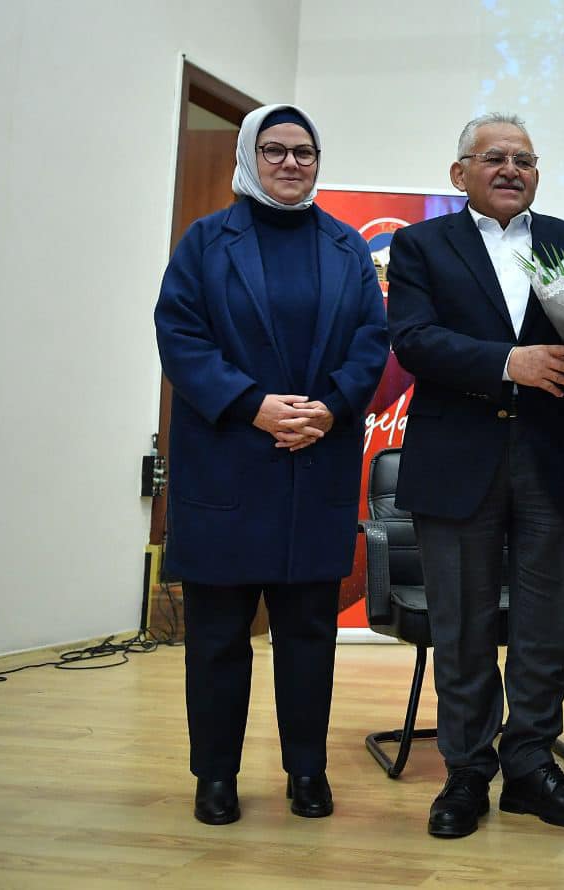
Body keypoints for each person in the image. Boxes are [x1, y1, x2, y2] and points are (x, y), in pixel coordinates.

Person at [155, 104, 389, 826]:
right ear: (249, 158)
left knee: (308, 637)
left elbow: (370, 341)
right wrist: (252, 405)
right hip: (228, 462)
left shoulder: (348, 248)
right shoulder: (205, 242)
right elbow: (180, 336)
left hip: (312, 467)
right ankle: (215, 777)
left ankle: (307, 772)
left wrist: (329, 407)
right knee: (220, 639)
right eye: (276, 150)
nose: (291, 163)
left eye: (305, 152)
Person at [387, 113, 564, 839]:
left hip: (555, 457)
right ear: (460, 174)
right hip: (457, 461)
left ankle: (533, 768)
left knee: (544, 628)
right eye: (494, 158)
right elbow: (413, 340)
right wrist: (506, 364)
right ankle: (466, 772)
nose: (511, 169)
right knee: (463, 627)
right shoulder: (420, 245)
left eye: (525, 159)